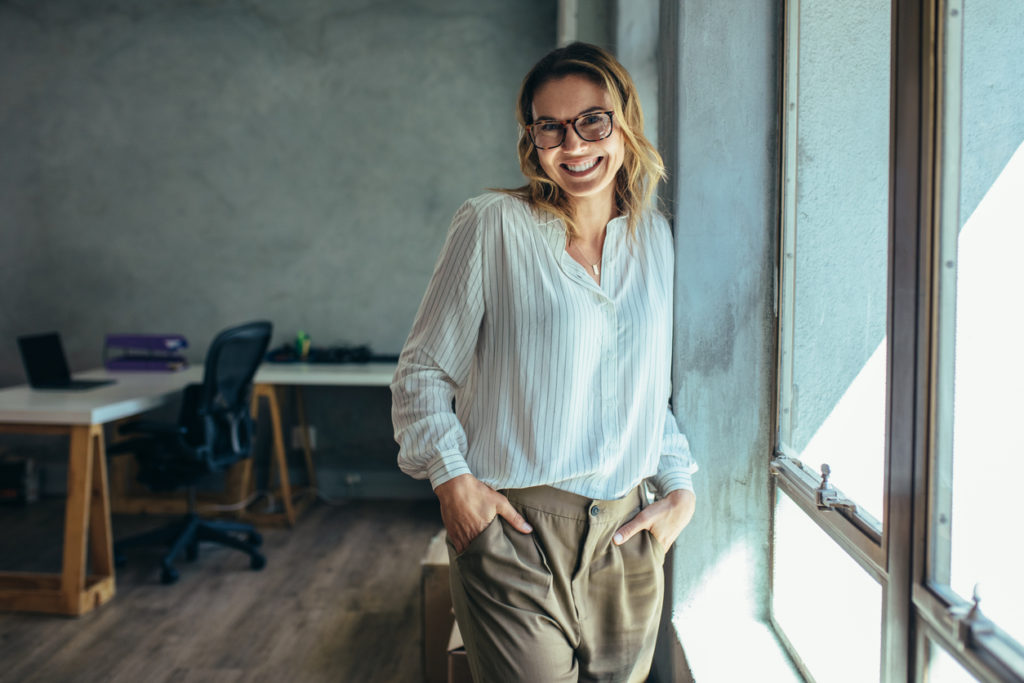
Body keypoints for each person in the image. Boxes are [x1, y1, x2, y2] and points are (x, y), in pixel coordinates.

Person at [391, 41, 698, 683]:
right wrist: (454, 484)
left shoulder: (656, 240)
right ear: (533, 141)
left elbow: (649, 393)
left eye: (592, 119)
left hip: (627, 535)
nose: (573, 143)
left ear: (624, 122)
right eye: (550, 126)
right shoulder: (492, 225)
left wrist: (680, 490)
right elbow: (422, 371)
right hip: (516, 532)